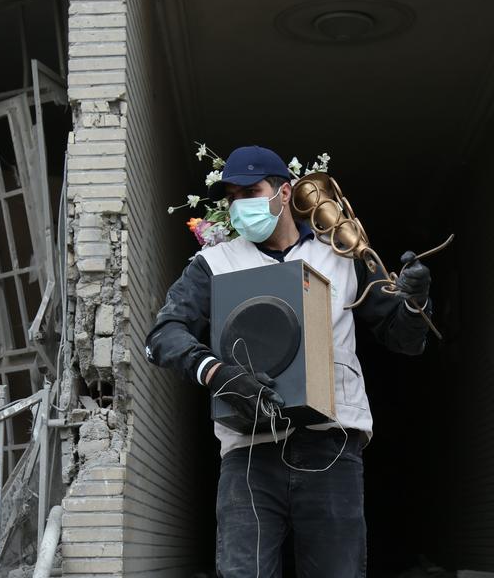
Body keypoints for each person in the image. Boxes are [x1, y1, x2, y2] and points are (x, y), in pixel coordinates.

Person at [145, 145, 432, 577]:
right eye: (232, 197)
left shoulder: (342, 254)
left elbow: (404, 340)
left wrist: (415, 302)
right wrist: (218, 374)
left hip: (331, 445)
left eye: (251, 192)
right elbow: (163, 334)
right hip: (249, 453)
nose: (240, 206)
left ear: (285, 193)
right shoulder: (214, 263)